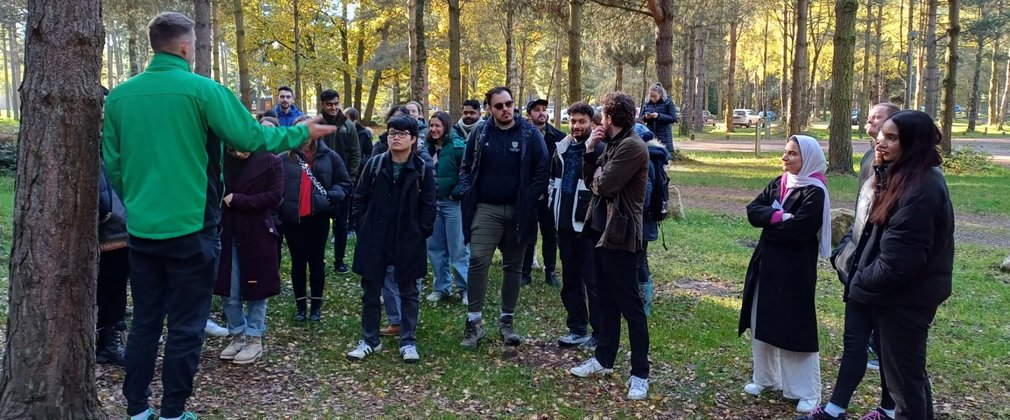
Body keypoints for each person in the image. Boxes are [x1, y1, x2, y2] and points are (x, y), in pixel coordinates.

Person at [103, 12, 336, 420]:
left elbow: (115, 164)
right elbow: (250, 137)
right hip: (192, 227)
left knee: (144, 322)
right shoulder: (202, 90)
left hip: (141, 230)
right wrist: (301, 133)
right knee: (187, 325)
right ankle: (174, 411)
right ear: (185, 47)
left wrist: (139, 202)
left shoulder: (121, 97)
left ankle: (137, 409)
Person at [847, 110, 953, 419]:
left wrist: (859, 284)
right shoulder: (904, 175)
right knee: (908, 378)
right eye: (881, 136)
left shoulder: (921, 188)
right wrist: (880, 172)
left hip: (906, 299)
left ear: (914, 143)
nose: (881, 144)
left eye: (892, 138)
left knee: (905, 386)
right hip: (897, 295)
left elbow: (899, 262)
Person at [802, 104, 901, 420]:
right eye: (872, 119)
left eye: (881, 120)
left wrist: (871, 266)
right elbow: (864, 213)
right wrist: (847, 253)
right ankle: (835, 409)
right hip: (859, 264)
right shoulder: (869, 160)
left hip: (884, 272)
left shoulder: (908, 176)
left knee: (888, 348)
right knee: (854, 340)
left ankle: (889, 408)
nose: (873, 123)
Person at [738, 135, 831, 414]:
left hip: (794, 269)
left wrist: (774, 224)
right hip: (766, 263)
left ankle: (806, 390)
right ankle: (766, 378)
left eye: (792, 154)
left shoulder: (815, 191)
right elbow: (753, 211)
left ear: (808, 159)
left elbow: (800, 230)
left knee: (794, 325)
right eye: (785, 152)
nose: (785, 158)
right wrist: (779, 217)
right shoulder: (780, 183)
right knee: (761, 317)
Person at [568, 92, 651, 400]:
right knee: (605, 302)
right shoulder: (613, 143)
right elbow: (592, 180)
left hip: (622, 236)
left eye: (602, 115)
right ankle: (603, 359)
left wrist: (599, 175)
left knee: (631, 307)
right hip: (601, 232)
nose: (600, 120)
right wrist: (590, 150)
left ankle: (640, 374)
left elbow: (605, 186)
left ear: (610, 118)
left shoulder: (631, 146)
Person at [458, 86, 549, 348]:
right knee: (477, 259)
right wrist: (467, 190)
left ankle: (507, 322)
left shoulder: (530, 133)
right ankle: (474, 323)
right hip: (486, 207)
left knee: (514, 266)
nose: (505, 109)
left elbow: (543, 170)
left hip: (519, 209)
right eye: (499, 106)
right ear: (489, 109)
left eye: (508, 104)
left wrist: (529, 198)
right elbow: (466, 168)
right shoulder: (480, 132)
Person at [347, 115, 436, 363]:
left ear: (414, 139)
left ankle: (408, 341)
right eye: (392, 133)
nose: (395, 137)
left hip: (408, 238)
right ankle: (369, 340)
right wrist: (362, 226)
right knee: (371, 290)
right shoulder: (374, 165)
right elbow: (359, 198)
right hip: (375, 236)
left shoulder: (422, 169)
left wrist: (420, 232)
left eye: (401, 133)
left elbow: (429, 206)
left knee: (408, 290)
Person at [214, 132, 284, 365]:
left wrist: (240, 200)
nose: (239, 152)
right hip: (227, 231)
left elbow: (275, 196)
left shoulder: (271, 160)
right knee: (228, 289)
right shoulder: (221, 160)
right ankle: (237, 334)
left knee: (257, 288)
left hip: (256, 232)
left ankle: (255, 338)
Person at [277, 116, 353, 322]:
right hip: (293, 219)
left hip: (318, 218)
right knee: (298, 262)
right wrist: (281, 205)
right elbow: (274, 187)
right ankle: (301, 306)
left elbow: (344, 182)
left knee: (317, 262)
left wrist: (333, 195)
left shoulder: (330, 157)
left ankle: (316, 307)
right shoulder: (283, 158)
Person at [549, 102, 604, 349]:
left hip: (588, 228)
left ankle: (600, 333)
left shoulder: (600, 149)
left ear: (592, 123)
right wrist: (553, 210)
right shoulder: (561, 149)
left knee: (593, 282)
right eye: (572, 121)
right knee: (570, 279)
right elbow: (553, 183)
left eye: (581, 121)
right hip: (563, 225)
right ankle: (576, 328)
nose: (576, 126)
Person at [425, 111, 470, 303]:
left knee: (458, 248)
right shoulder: (426, 148)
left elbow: (469, 172)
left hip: (453, 204)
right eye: (431, 125)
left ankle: (466, 288)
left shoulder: (458, 145)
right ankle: (441, 287)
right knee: (435, 247)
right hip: (433, 204)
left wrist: (456, 192)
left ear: (446, 127)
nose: (434, 129)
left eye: (438, 126)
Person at [317, 89, 361, 275]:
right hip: (319, 181)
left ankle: (339, 260)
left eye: (336, 103)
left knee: (342, 223)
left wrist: (350, 178)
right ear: (323, 105)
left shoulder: (348, 126)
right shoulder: (317, 124)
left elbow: (356, 152)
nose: (333, 107)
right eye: (329, 104)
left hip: (342, 183)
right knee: (318, 224)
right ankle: (318, 259)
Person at [521, 98, 564, 287]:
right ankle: (525, 272)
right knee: (528, 233)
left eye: (544, 109)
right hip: (529, 192)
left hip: (550, 192)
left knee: (550, 234)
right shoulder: (522, 135)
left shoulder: (559, 136)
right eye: (537, 110)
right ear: (529, 114)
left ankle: (550, 270)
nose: (542, 113)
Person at [97, 160, 129, 366]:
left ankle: (110, 342)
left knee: (116, 289)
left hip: (122, 231)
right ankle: (102, 341)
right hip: (109, 228)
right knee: (103, 289)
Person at [637, 124, 669, 317]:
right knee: (640, 259)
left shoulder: (646, 160)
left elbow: (645, 197)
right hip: (647, 220)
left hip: (642, 219)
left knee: (639, 260)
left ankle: (644, 303)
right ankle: (642, 299)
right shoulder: (655, 156)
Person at [640, 83, 678, 153]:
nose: (652, 98)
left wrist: (659, 116)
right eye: (651, 96)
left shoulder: (668, 102)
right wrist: (646, 117)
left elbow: (673, 118)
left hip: (664, 136)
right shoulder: (646, 103)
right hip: (650, 136)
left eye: (655, 96)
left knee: (664, 159)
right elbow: (640, 120)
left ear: (660, 94)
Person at [345, 107, 374, 176]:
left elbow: (370, 154)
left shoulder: (363, 134)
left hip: (358, 172)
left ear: (355, 120)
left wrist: (358, 164)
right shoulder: (341, 132)